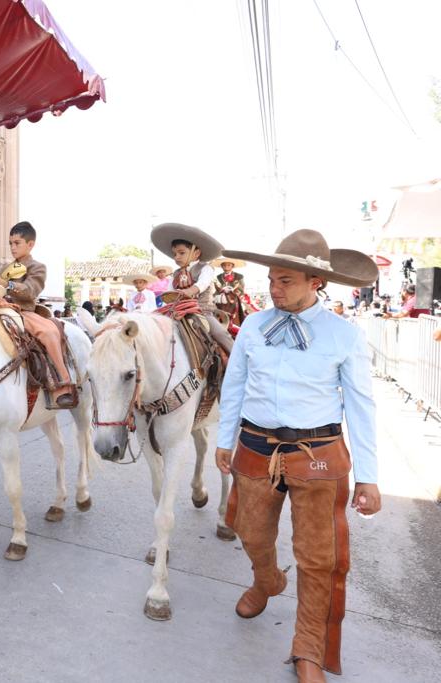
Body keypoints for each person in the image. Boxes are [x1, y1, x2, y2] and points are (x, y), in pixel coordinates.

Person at [214, 229, 381, 683]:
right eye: (272, 279)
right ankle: (266, 579)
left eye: (285, 280)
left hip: (319, 455)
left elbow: (361, 405)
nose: (274, 288)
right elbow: (234, 386)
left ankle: (306, 648)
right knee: (249, 533)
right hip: (254, 447)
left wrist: (368, 475)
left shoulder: (343, 335)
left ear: (315, 282)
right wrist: (224, 439)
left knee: (316, 557)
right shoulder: (252, 325)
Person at [0, 221, 75, 408]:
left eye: (17, 243)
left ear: (30, 244)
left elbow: (31, 291)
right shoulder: (5, 268)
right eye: (10, 243)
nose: (12, 247)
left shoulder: (37, 267)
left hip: (23, 311)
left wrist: (6, 284)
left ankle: (63, 384)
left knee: (48, 333)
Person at [150, 222, 233, 352]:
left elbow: (202, 284)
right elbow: (169, 291)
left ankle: (236, 361)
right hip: (178, 312)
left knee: (221, 334)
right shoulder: (176, 274)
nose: (176, 257)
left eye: (181, 253)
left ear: (196, 253)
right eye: (174, 254)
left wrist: (188, 291)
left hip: (202, 311)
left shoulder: (205, 268)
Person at [213, 257, 248, 327]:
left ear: (232, 266)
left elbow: (241, 289)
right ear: (221, 266)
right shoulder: (218, 277)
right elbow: (216, 289)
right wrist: (221, 290)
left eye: (228, 265)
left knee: (244, 308)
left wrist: (232, 290)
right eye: (224, 265)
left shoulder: (239, 276)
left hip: (235, 296)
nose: (226, 267)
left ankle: (244, 323)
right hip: (222, 297)